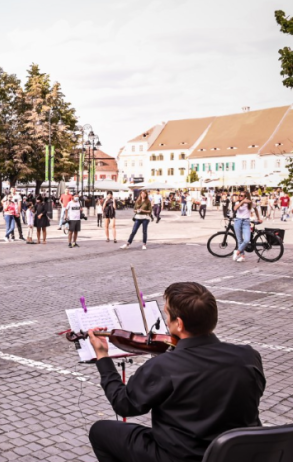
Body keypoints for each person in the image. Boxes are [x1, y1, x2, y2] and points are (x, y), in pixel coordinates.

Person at [86, 282, 265, 462]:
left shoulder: (163, 367)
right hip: (237, 454)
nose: (166, 320)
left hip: (181, 456)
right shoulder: (249, 356)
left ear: (179, 323)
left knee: (100, 431)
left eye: (167, 314)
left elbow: (123, 404)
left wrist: (103, 356)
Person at [232, 190, 263, 263]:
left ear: (246, 197)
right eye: (239, 195)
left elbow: (256, 209)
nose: (240, 197)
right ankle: (242, 256)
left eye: (242, 196)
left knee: (246, 240)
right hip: (238, 221)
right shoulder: (238, 202)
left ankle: (237, 251)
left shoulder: (250, 203)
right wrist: (242, 202)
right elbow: (235, 208)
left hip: (246, 222)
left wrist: (259, 218)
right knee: (239, 240)